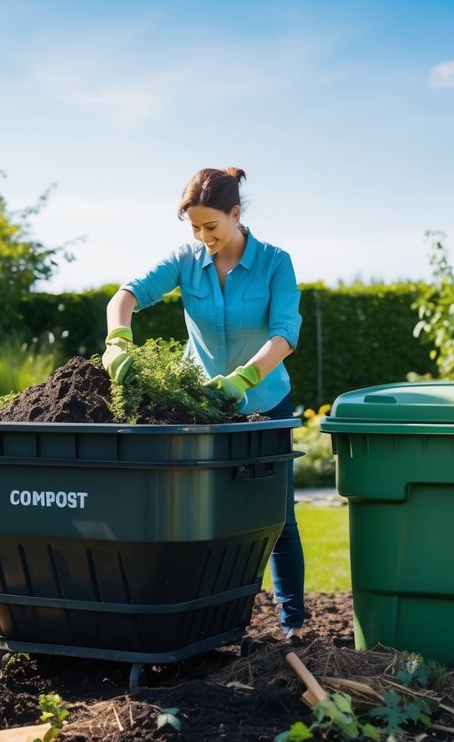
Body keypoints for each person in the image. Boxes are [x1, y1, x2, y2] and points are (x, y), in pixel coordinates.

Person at [101, 167, 306, 639]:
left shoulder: (276, 263)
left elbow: (285, 334)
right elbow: (127, 295)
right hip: (203, 407)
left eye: (211, 226)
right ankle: (204, 617)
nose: (202, 236)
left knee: (277, 519)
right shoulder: (187, 260)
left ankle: (292, 624)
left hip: (265, 403)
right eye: (194, 228)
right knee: (200, 515)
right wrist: (117, 338)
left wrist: (246, 378)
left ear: (236, 214)